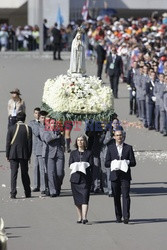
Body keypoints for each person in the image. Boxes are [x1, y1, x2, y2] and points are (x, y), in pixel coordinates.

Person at [105, 126, 136, 224]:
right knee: (116, 196)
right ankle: (118, 216)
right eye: (117, 135)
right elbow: (106, 163)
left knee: (126, 196)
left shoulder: (128, 147)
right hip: (114, 175)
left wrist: (126, 162)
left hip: (125, 176)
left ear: (123, 136)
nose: (119, 137)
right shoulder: (110, 148)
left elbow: (133, 162)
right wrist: (113, 163)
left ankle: (126, 216)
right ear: (114, 137)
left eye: (120, 135)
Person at [6, 112, 32, 199]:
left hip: (13, 154)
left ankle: (13, 193)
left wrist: (7, 154)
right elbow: (30, 144)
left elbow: (8, 143)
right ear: (24, 118)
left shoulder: (11, 128)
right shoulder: (28, 128)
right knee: (25, 174)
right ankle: (27, 192)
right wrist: (29, 156)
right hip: (24, 154)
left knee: (13, 174)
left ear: (17, 118)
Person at [69, 135, 93, 224]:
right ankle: (79, 217)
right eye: (78, 140)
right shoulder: (73, 153)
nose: (80, 142)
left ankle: (85, 218)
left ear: (85, 142)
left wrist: (84, 165)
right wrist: (76, 165)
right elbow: (70, 164)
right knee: (77, 200)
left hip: (85, 179)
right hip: (75, 179)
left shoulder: (89, 153)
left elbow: (91, 164)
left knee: (85, 198)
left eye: (82, 140)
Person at [40, 118, 65, 197]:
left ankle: (58, 187)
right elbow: (47, 140)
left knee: (59, 173)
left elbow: (63, 143)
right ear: (49, 124)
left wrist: (61, 135)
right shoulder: (45, 132)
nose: (53, 124)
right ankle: (52, 191)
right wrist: (56, 135)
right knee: (51, 173)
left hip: (59, 154)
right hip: (49, 154)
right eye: (52, 123)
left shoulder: (59, 132)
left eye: (55, 123)